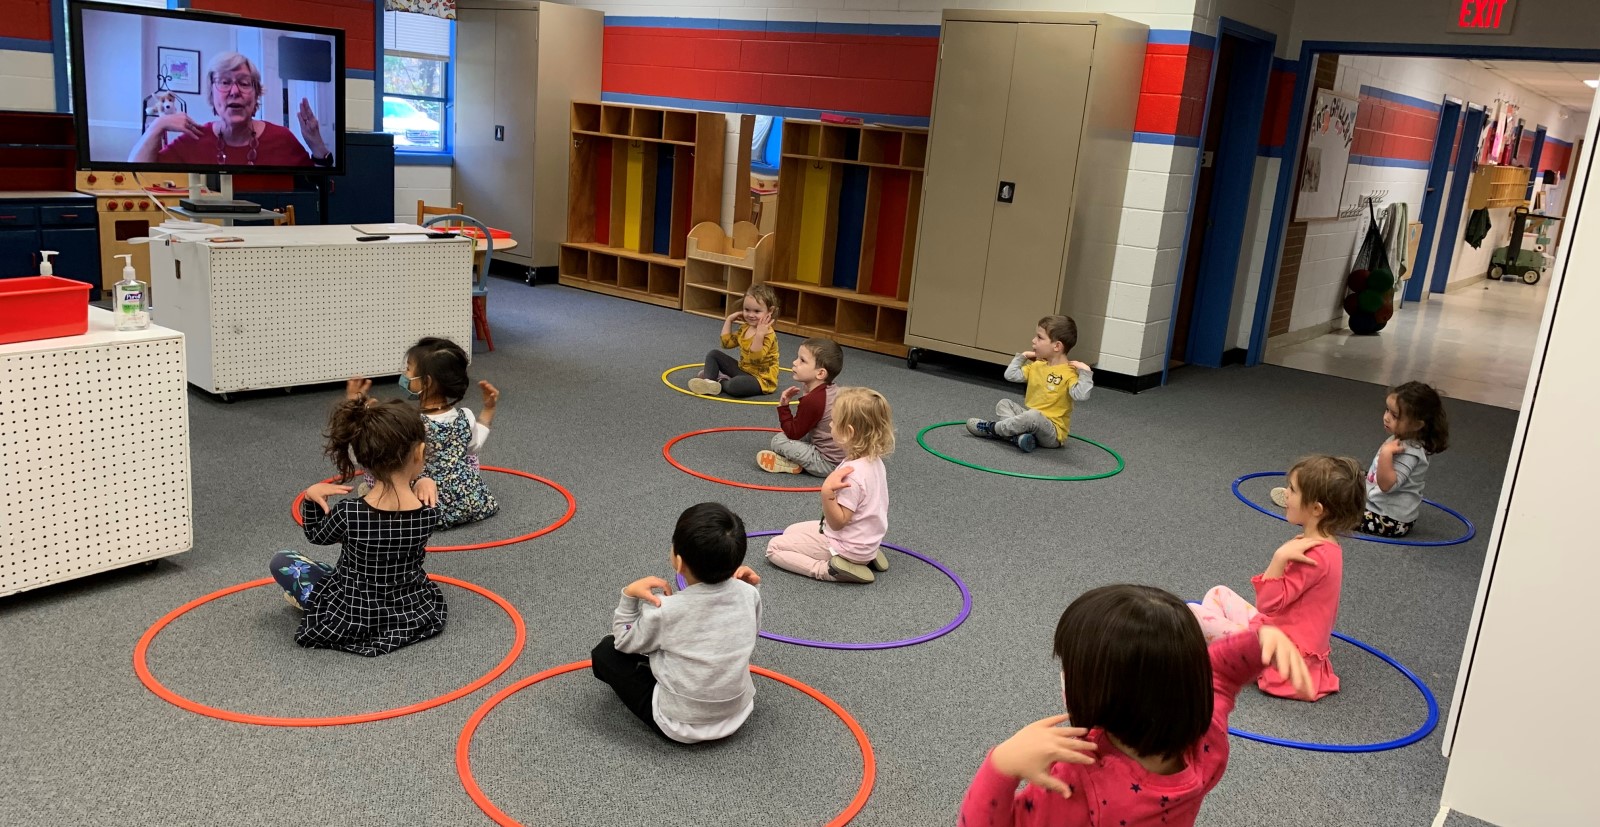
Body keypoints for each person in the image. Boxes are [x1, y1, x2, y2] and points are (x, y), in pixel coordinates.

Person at [958, 585, 1314, 826]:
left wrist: (1002, 765)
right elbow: (1218, 674)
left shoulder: (1077, 777)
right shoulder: (1208, 736)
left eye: (1071, 667)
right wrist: (1259, 643)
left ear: (1100, 693)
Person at [268, 398, 445, 657]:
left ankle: (306, 600)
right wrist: (424, 480)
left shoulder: (349, 513)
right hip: (408, 606)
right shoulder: (429, 511)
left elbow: (315, 534)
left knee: (282, 560)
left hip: (353, 608)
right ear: (419, 453)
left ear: (365, 459)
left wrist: (311, 497)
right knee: (338, 573)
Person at [1191, 455, 1364, 701]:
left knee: (1192, 613)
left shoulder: (1312, 556)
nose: (1285, 494)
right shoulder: (1326, 546)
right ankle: (1225, 653)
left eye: (1293, 490)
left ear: (1316, 509)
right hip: (1281, 634)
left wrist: (1279, 557)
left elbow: (1268, 606)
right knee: (1218, 593)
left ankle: (1231, 658)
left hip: (1283, 659)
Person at [591, 502, 763, 743]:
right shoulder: (749, 593)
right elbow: (748, 633)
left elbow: (623, 641)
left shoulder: (665, 610)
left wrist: (629, 596)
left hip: (679, 725)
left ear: (679, 562)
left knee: (605, 652)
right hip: (738, 712)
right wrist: (745, 587)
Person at [347, 337, 500, 529]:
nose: (405, 373)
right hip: (470, 501)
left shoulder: (408, 423)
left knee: (375, 477)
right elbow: (474, 445)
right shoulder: (466, 416)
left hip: (425, 505)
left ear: (426, 382)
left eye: (409, 369)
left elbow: (363, 456)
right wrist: (488, 409)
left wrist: (358, 410)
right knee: (468, 458)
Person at [1271, 381, 1449, 538]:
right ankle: (1305, 498)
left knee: (1337, 513)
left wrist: (1386, 454)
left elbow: (1387, 485)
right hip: (1374, 504)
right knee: (1344, 481)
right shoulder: (1402, 438)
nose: (1386, 417)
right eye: (1387, 410)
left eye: (1395, 416)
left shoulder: (1409, 451)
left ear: (1417, 424)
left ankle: (1304, 507)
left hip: (1388, 521)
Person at [765, 387, 893, 583]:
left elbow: (838, 522)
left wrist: (827, 494)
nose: (830, 425)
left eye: (833, 421)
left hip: (845, 544)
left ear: (848, 432)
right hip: (864, 538)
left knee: (774, 547)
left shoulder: (853, 475)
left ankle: (829, 570)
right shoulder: (873, 461)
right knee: (791, 530)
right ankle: (867, 554)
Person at [128, 51, 332, 167]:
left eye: (244, 83)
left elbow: (317, 192)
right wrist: (159, 125)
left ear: (256, 94)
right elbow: (137, 174)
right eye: (224, 82)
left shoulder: (282, 139)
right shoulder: (194, 138)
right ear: (212, 94)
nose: (234, 91)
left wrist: (318, 147)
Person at [967, 315, 1094, 453]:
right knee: (1004, 403)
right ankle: (1019, 438)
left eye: (1039, 337)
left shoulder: (1069, 372)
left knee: (1033, 416)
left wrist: (1085, 372)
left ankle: (992, 429)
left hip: (1052, 433)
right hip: (1031, 422)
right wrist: (1023, 357)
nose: (1033, 341)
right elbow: (1010, 375)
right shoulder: (1038, 365)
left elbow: (1081, 395)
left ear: (1057, 346)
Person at [757, 337, 845, 477]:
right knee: (800, 436)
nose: (794, 362)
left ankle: (794, 464)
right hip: (843, 457)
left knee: (778, 441)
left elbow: (793, 432)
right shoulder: (831, 389)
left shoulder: (814, 400)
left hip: (828, 464)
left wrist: (783, 407)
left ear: (821, 373)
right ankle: (801, 458)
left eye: (802, 360)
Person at [687, 284, 780, 398]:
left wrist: (759, 334)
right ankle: (708, 381)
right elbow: (726, 343)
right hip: (743, 370)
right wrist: (729, 320)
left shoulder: (768, 334)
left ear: (769, 311)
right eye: (747, 310)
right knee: (714, 354)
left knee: (735, 386)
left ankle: (720, 381)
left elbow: (755, 359)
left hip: (761, 380)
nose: (750, 315)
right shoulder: (745, 328)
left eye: (757, 311)